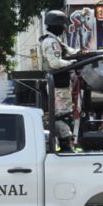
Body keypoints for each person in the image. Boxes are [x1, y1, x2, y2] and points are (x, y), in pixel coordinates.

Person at [40, 10, 79, 151]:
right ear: (56, 26)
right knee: (63, 116)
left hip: (60, 85)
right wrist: (72, 63)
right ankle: (65, 145)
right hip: (57, 85)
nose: (64, 28)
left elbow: (69, 51)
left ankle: (66, 143)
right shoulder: (50, 42)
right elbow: (55, 62)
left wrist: (80, 54)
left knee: (66, 113)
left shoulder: (56, 41)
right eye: (62, 25)